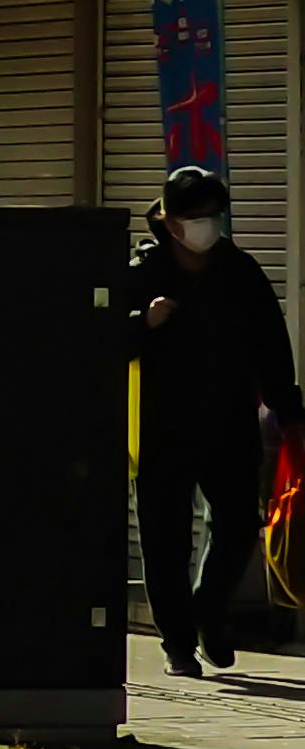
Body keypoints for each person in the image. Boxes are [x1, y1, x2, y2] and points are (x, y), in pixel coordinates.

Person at [130, 160, 298, 675]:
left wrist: (289, 412)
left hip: (228, 422)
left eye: (215, 214)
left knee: (238, 524)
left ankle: (210, 612)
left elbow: (272, 345)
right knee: (165, 538)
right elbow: (101, 339)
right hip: (161, 426)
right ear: (172, 222)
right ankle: (179, 643)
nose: (210, 225)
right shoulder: (143, 272)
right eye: (199, 216)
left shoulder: (239, 272)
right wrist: (145, 322)